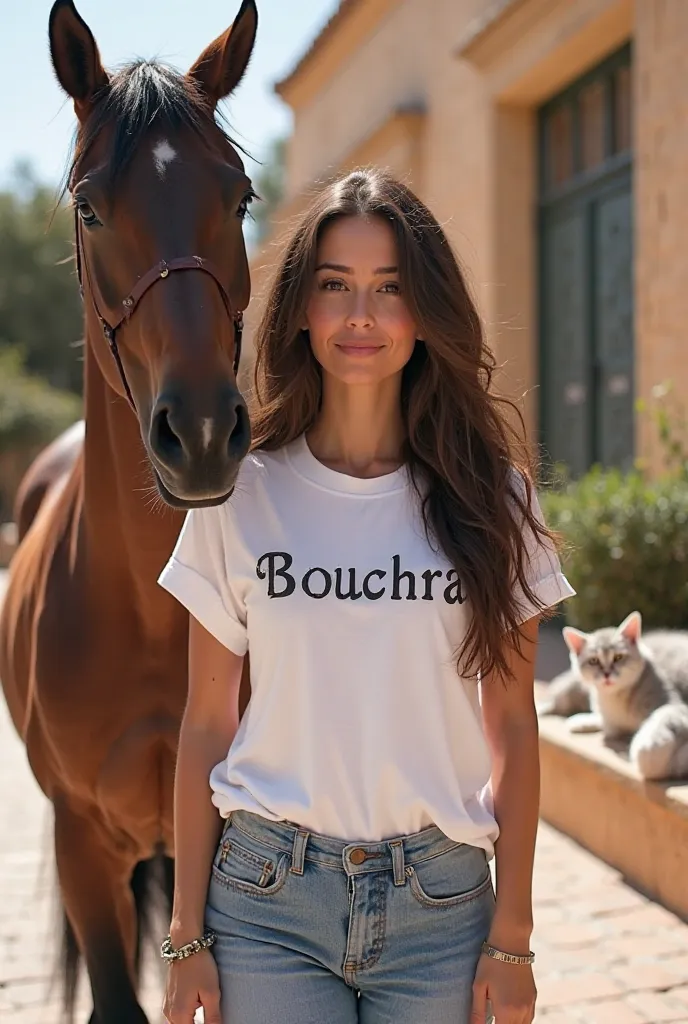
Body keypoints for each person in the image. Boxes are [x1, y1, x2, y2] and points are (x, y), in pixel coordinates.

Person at [157, 168, 574, 1024]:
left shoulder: (496, 504)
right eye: (335, 286)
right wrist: (185, 934)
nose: (359, 316)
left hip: (443, 910)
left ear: (424, 314)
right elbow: (206, 724)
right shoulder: (238, 498)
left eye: (390, 290)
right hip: (266, 904)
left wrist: (514, 937)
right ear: (301, 310)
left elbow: (511, 727)